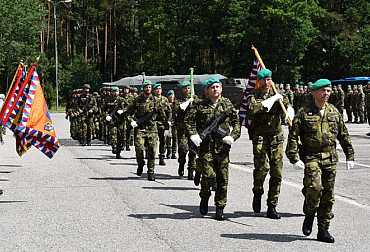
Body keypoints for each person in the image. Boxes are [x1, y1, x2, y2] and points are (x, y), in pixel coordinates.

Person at [286, 79, 354, 243]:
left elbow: (343, 135)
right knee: (314, 189)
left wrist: (350, 155)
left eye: (328, 91)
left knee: (328, 195)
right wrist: (294, 157)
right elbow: (293, 138)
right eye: (322, 91)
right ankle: (309, 213)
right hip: (312, 157)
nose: (326, 94)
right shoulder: (304, 112)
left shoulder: (334, 112)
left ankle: (323, 230)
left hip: (330, 157)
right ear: (314, 93)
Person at [187, 77, 240, 220]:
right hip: (206, 148)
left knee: (223, 179)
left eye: (217, 87)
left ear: (221, 89)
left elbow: (236, 123)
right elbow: (189, 122)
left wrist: (233, 136)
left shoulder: (227, 104)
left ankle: (220, 207)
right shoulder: (199, 105)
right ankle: (204, 196)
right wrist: (193, 135)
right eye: (212, 87)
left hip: (222, 148)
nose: (215, 89)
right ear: (206, 91)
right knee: (209, 176)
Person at [247, 69, 293, 219]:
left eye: (269, 79)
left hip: (276, 137)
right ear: (258, 81)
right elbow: (254, 109)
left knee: (277, 172)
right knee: (261, 169)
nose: (266, 83)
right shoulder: (254, 95)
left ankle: (272, 205)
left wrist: (289, 113)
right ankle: (257, 191)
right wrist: (272, 100)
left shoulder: (278, 93)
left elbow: (288, 107)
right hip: (260, 136)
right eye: (263, 80)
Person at [125, 80, 167, 181]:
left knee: (152, 151)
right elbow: (128, 113)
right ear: (143, 88)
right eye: (146, 87)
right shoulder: (137, 100)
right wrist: (132, 122)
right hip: (140, 128)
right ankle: (140, 163)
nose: (148, 89)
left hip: (152, 129)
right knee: (139, 149)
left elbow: (162, 115)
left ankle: (150, 172)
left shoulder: (155, 100)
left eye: (149, 87)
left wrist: (166, 126)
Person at [175, 81, 200, 179]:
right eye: (185, 88)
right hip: (182, 129)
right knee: (182, 149)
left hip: (193, 128)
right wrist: (188, 102)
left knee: (193, 150)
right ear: (182, 89)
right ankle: (181, 163)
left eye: (189, 88)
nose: (187, 90)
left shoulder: (196, 99)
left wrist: (194, 101)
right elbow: (178, 109)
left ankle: (191, 169)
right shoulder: (178, 100)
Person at [153, 83, 171, 165]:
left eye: (160, 88)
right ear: (154, 91)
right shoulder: (151, 99)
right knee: (152, 141)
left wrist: (169, 121)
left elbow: (169, 112)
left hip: (162, 124)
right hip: (153, 123)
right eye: (156, 89)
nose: (158, 90)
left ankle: (162, 157)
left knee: (162, 141)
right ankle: (151, 155)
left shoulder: (165, 99)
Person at [104, 87, 125, 158]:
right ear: (112, 92)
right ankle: (114, 147)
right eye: (114, 91)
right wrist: (106, 116)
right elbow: (103, 109)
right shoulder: (107, 100)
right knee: (113, 135)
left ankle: (118, 152)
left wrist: (123, 111)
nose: (116, 93)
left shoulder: (122, 100)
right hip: (112, 120)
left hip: (120, 120)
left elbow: (129, 108)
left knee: (121, 136)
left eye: (117, 91)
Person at [165, 90, 178, 159]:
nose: (171, 96)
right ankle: (169, 150)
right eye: (170, 94)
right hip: (168, 123)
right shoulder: (166, 103)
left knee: (175, 138)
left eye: (172, 94)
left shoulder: (176, 103)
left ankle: (174, 152)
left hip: (175, 123)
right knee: (168, 137)